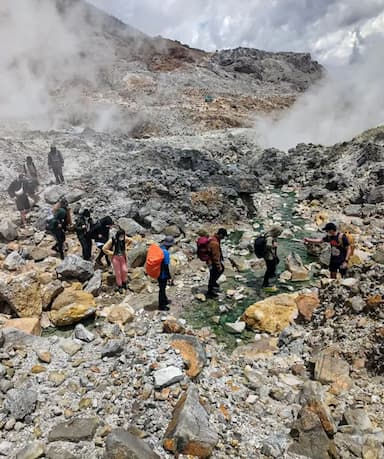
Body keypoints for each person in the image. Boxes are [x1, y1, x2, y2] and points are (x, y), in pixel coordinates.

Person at [102, 228, 133, 294]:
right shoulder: (112, 240)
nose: (122, 237)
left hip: (122, 257)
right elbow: (104, 248)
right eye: (121, 235)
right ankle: (120, 285)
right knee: (118, 272)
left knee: (124, 270)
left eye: (123, 235)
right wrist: (111, 253)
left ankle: (124, 282)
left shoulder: (124, 239)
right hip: (115, 257)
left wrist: (126, 247)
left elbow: (131, 240)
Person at [207, 228, 228, 298]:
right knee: (213, 275)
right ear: (221, 235)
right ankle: (210, 291)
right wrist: (219, 266)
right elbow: (215, 257)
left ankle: (213, 284)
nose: (223, 238)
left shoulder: (214, 239)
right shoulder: (215, 243)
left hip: (210, 261)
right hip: (212, 262)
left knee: (214, 274)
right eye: (223, 236)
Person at [158, 236, 175, 311]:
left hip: (157, 271)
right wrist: (169, 276)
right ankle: (161, 306)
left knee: (162, 288)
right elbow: (166, 266)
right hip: (162, 273)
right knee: (162, 289)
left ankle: (164, 300)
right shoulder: (166, 253)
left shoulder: (159, 248)